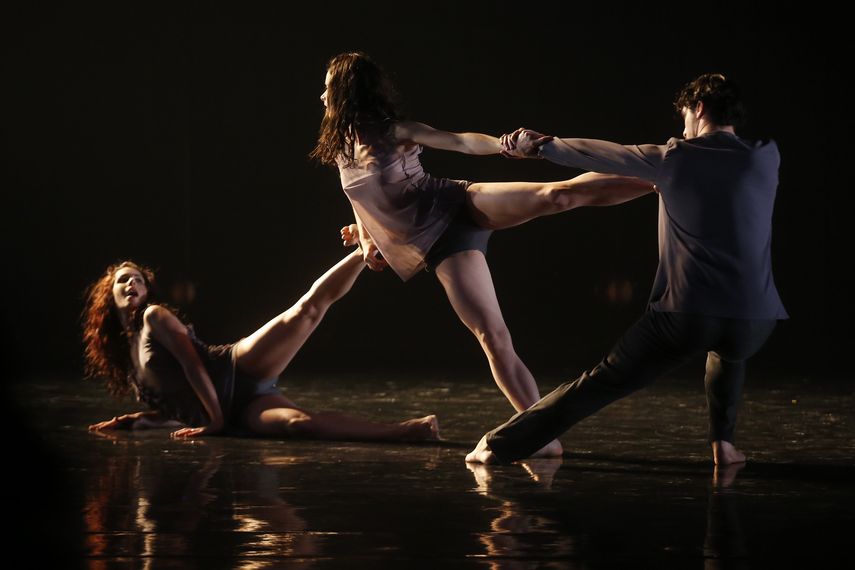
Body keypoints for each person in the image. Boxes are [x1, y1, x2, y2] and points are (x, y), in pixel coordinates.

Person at [312, 52, 653, 457]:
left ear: (346, 92)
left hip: (455, 203)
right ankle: (542, 434)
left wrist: (504, 146)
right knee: (493, 336)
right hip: (440, 244)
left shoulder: (395, 131)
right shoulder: (339, 149)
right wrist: (368, 238)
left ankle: (657, 176)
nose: (322, 94)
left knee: (556, 195)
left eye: (329, 85)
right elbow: (360, 201)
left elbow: (458, 141)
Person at [467, 73, 788, 466]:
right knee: (728, 356)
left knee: (605, 379)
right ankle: (724, 445)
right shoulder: (766, 155)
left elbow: (605, 153)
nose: (682, 127)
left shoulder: (676, 157)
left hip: (685, 317)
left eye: (685, 116)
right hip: (756, 323)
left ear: (699, 108)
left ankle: (500, 444)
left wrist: (539, 146)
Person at [84, 248, 439, 442]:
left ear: (147, 291)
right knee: (300, 426)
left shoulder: (154, 317)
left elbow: (193, 364)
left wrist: (216, 420)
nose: (132, 283)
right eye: (122, 280)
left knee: (305, 311)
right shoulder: (129, 363)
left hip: (234, 368)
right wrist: (136, 419)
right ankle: (410, 430)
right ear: (108, 294)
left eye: (138, 280)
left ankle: (368, 249)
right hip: (239, 409)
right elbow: (178, 405)